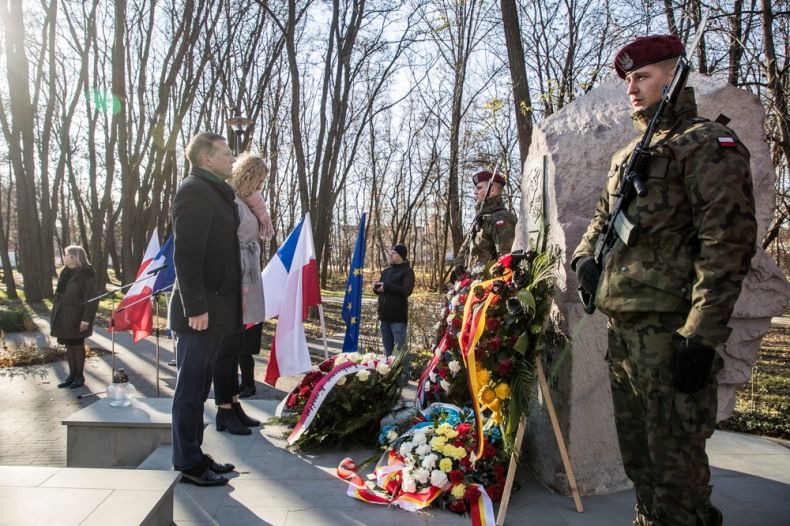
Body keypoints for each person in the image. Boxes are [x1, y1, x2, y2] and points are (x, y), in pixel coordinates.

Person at [572, 35, 756, 526]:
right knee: (640, 460)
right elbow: (598, 222)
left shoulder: (705, 145)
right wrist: (585, 260)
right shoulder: (628, 154)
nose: (631, 88)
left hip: (672, 331)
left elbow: (727, 246)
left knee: (676, 467)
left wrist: (700, 336)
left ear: (673, 77)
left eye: (643, 76)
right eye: (628, 80)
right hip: (624, 335)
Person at [169, 132, 242, 486]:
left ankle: (196, 454)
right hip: (199, 313)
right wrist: (194, 306)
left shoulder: (216, 191)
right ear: (204, 158)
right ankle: (187, 462)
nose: (232, 158)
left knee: (200, 389)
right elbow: (186, 255)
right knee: (190, 388)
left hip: (215, 310)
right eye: (226, 153)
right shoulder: (194, 191)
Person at [51, 245, 98, 389]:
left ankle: (79, 376)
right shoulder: (66, 273)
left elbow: (92, 299)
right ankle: (71, 376)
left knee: (77, 346)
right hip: (64, 317)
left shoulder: (85, 275)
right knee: (69, 346)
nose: (64, 258)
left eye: (65, 255)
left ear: (74, 258)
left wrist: (86, 320)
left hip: (77, 317)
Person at [454, 170, 517, 275]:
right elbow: (469, 247)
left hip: (492, 285)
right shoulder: (482, 218)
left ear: (493, 190)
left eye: (479, 188)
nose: (475, 192)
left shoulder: (502, 219)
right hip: (476, 283)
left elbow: (507, 261)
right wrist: (459, 265)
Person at [373, 244, 415, 382]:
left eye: (393, 253)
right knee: (388, 349)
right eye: (390, 253)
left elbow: (406, 291)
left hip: (397, 317)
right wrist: (376, 287)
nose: (390, 255)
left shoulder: (407, 272)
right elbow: (383, 289)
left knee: (399, 349)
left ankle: (403, 376)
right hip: (384, 316)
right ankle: (390, 375)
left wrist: (387, 287)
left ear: (401, 256)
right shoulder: (386, 271)